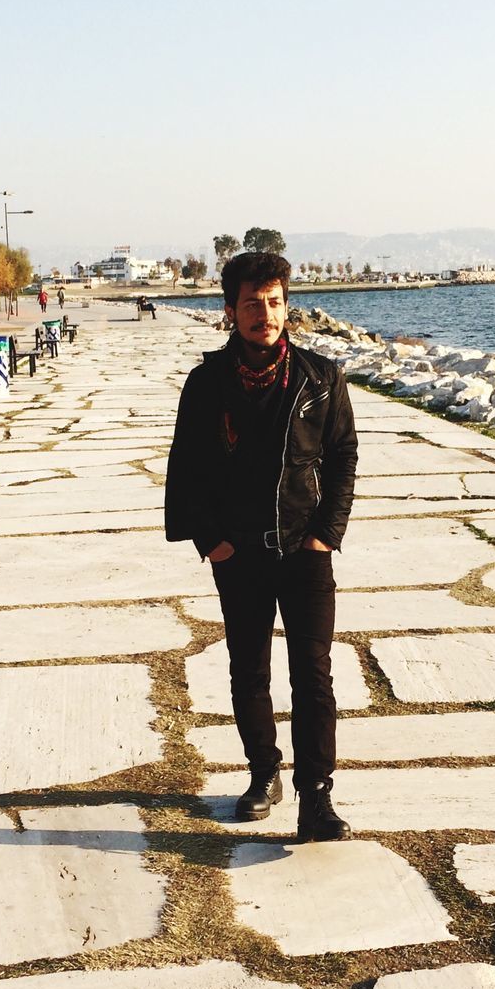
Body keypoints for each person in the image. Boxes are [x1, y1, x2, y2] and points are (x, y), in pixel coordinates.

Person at [166, 251, 357, 842]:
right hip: (239, 554)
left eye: (274, 302)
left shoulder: (321, 379)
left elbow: (343, 457)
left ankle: (317, 797)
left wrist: (328, 534)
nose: (264, 314)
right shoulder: (205, 385)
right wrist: (212, 542)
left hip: (306, 550)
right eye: (252, 303)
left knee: (314, 675)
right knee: (249, 672)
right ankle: (263, 772)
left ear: (286, 306)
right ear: (230, 311)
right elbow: (187, 469)